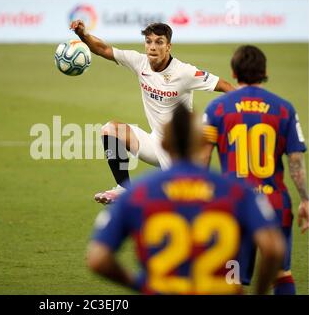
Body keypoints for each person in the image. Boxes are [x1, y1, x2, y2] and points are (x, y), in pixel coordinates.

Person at [87, 104, 285, 295]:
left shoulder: (137, 192)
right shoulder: (239, 192)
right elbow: (273, 249)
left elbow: (97, 258)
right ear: (202, 142)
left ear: (163, 145)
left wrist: (141, 285)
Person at [70, 20, 235, 205]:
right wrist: (82, 35)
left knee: (185, 205)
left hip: (179, 151)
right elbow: (102, 49)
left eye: (159, 42)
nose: (153, 47)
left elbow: (224, 86)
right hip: (156, 142)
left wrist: (243, 105)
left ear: (169, 46)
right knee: (110, 129)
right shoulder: (139, 62)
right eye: (148, 41)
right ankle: (123, 188)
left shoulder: (185, 72)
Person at [201, 45, 308, 295]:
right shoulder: (284, 109)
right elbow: (296, 161)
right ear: (265, 71)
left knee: (230, 277)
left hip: (233, 204)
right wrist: (304, 199)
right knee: (281, 274)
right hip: (274, 203)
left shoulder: (216, 108)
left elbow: (202, 157)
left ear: (233, 72)